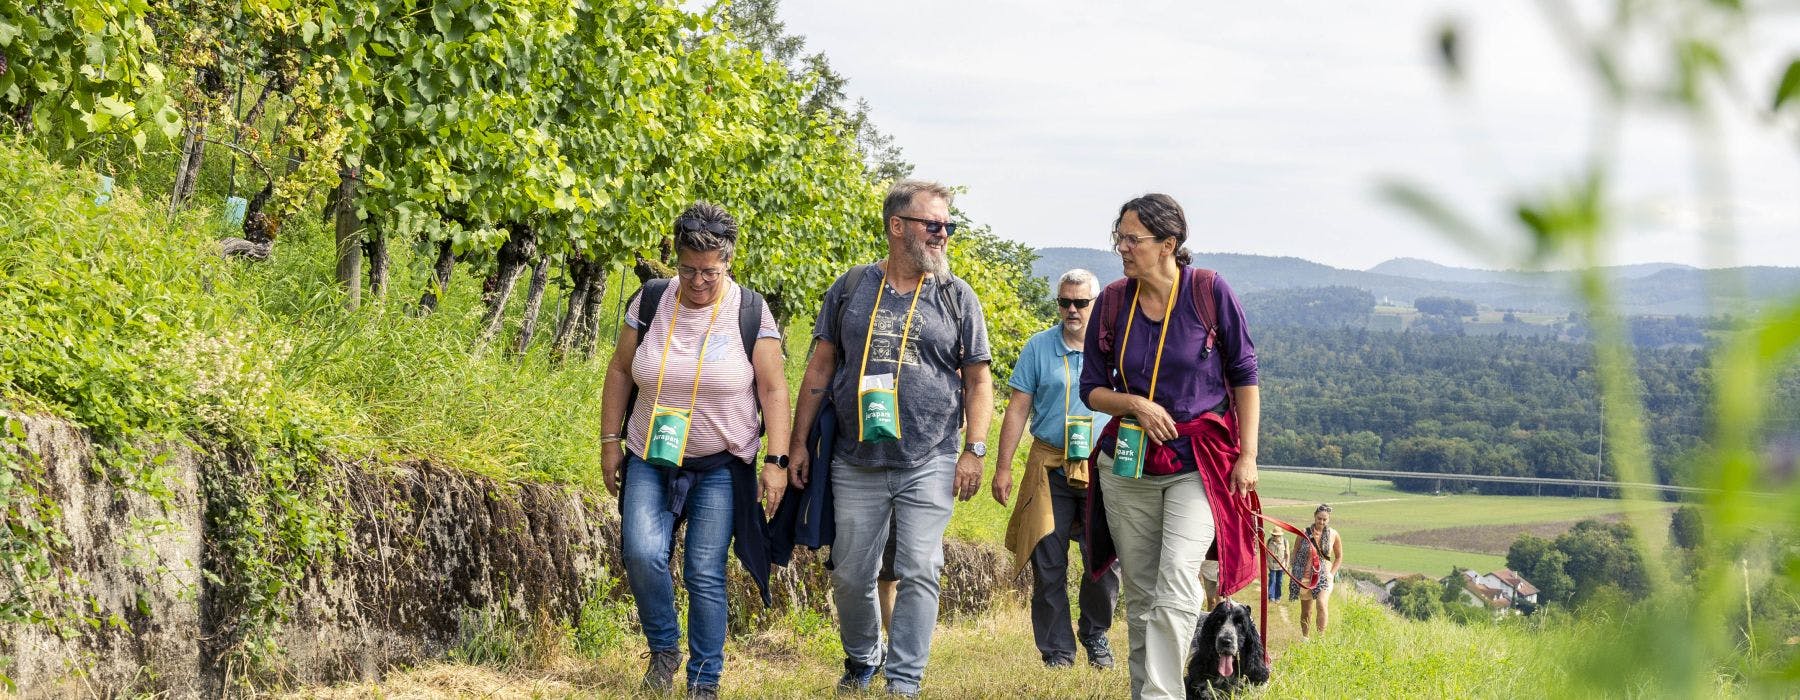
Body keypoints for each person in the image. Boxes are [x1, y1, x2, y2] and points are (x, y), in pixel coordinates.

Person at [788, 179, 992, 699]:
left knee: (921, 566)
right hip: (856, 458)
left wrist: (975, 449)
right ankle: (862, 658)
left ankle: (904, 681)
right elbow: (820, 367)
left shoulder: (957, 296)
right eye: (933, 224)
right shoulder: (852, 287)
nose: (943, 234)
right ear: (897, 226)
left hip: (931, 455)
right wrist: (795, 444)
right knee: (851, 572)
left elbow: (979, 381)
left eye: (948, 224)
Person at [599, 203, 793, 700]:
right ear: (676, 261)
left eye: (710, 272)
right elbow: (621, 370)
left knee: (704, 570)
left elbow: (774, 390)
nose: (698, 281)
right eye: (688, 269)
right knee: (641, 552)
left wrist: (776, 461)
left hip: (721, 463)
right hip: (651, 452)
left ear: (727, 263)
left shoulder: (750, 311)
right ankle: (664, 650)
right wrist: (608, 442)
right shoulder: (650, 300)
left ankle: (703, 681)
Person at [1079, 193, 1262, 700]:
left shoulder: (1208, 292)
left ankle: (1162, 695)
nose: (1121, 247)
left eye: (1132, 239)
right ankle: (1147, 692)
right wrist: (1134, 405)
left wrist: (1247, 457)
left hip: (1197, 465)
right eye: (1118, 237)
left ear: (1168, 244)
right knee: (1140, 595)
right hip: (1129, 464)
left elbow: (1245, 375)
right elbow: (1090, 387)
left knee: (1178, 581)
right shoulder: (1114, 300)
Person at [993, 269, 1121, 670]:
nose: (1071, 309)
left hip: (1102, 468)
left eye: (1080, 303)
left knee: (1102, 561)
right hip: (1049, 465)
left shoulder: (1115, 348)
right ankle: (1057, 652)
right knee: (1048, 562)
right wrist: (1002, 469)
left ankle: (1095, 633)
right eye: (1064, 302)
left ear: (1096, 304)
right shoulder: (1038, 347)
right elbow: (1017, 408)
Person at [1294, 503, 1343, 638]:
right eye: (1319, 518)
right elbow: (1295, 553)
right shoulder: (1303, 533)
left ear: (1328, 520)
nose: (1321, 522)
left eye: (1324, 519)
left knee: (1321, 603)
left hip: (1324, 576)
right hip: (1306, 576)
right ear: (1315, 517)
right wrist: (1295, 572)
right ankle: (1305, 638)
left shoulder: (1334, 534)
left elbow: (1339, 557)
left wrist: (1331, 574)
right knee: (1306, 611)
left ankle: (1320, 639)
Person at [1266, 531, 1290, 602]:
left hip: (1281, 566)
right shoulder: (1269, 541)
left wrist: (1286, 565)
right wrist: (1266, 562)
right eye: (1273, 535)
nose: (1273, 536)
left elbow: (1287, 554)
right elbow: (1266, 552)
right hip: (1272, 565)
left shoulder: (1285, 542)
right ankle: (1271, 597)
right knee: (1272, 580)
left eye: (1275, 535)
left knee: (1279, 581)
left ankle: (1278, 597)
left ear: (1280, 535)